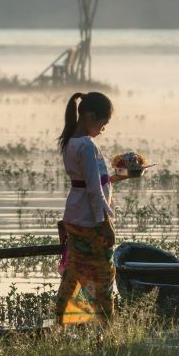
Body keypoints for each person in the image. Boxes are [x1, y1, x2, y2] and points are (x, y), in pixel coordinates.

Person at [55, 92, 136, 325]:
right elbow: (93, 190)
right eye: (103, 123)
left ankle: (61, 321)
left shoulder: (70, 140)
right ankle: (106, 327)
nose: (103, 129)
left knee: (73, 272)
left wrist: (119, 176)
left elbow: (93, 182)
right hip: (90, 221)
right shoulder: (87, 146)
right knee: (104, 275)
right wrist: (105, 225)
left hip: (75, 216)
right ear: (90, 116)